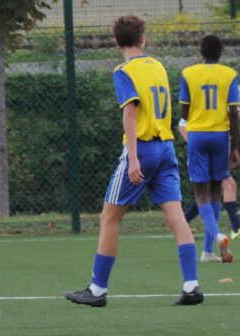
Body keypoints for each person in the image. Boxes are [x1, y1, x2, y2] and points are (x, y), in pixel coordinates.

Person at [65, 15, 203, 307]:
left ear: (116, 41)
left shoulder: (123, 71)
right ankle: (191, 286)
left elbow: (130, 112)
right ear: (143, 38)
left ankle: (97, 290)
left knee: (109, 218)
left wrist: (133, 157)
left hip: (142, 148)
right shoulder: (158, 66)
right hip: (165, 147)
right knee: (176, 217)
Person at [179, 34, 239, 264]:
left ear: (201, 52)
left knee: (200, 194)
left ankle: (216, 238)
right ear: (221, 52)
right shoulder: (229, 74)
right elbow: (233, 113)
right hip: (221, 136)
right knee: (215, 192)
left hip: (197, 135)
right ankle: (208, 252)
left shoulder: (188, 73)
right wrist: (235, 146)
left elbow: (184, 113)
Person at [179, 96, 240, 263]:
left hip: (217, 151)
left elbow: (231, 120)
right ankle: (220, 235)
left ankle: (204, 245)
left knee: (207, 195)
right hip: (204, 152)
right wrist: (195, 144)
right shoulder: (200, 98)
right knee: (210, 193)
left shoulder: (218, 98)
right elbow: (182, 124)